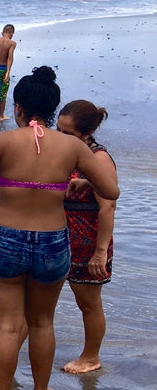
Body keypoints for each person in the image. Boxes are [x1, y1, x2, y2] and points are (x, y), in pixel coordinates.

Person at [0, 67, 119, 390]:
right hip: (54, 241)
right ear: (54, 110)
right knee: (42, 322)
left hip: (5, 238)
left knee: (8, 326)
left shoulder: (3, 142)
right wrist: (85, 182)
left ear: (19, 108)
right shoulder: (73, 146)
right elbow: (112, 191)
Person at [58, 99, 117, 374]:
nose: (61, 137)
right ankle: (8, 346)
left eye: (68, 133)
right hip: (60, 235)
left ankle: (91, 357)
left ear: (86, 134)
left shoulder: (99, 157)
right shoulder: (64, 151)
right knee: (34, 296)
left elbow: (108, 205)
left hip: (89, 241)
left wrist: (100, 252)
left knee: (88, 303)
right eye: (58, 130)